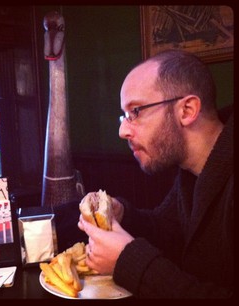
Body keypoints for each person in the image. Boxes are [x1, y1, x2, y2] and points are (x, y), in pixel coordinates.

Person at [77, 49, 233, 299]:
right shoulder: (191, 171)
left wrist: (128, 261)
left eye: (135, 112)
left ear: (187, 110)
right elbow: (169, 231)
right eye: (124, 115)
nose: (122, 131)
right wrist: (124, 215)